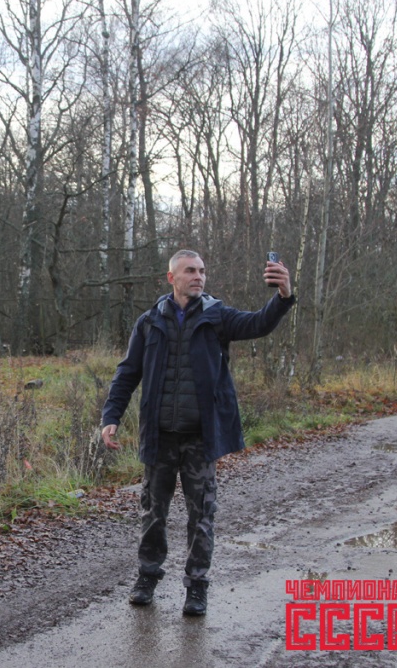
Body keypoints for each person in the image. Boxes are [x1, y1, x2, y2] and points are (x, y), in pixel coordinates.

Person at [100, 249, 295, 616]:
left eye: (202, 271)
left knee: (201, 516)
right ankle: (147, 578)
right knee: (152, 514)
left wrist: (283, 296)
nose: (199, 277)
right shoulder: (149, 322)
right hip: (159, 437)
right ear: (171, 278)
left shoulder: (217, 316)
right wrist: (111, 415)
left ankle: (197, 587)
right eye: (190, 270)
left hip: (200, 439)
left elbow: (258, 324)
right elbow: (127, 373)